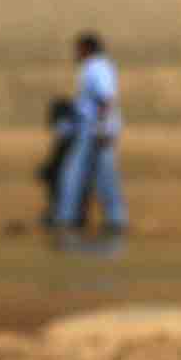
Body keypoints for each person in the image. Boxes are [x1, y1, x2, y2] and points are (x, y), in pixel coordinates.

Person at [50, 31, 126, 237]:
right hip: (95, 130)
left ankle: (66, 218)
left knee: (73, 173)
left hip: (95, 131)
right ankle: (115, 219)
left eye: (78, 49)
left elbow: (105, 99)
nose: (75, 53)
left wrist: (102, 128)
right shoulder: (99, 66)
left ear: (86, 49)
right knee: (103, 176)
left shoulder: (96, 67)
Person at [35, 96, 83, 229]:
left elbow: (60, 155)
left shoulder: (69, 134)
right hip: (71, 168)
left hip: (69, 170)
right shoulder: (76, 131)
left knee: (55, 178)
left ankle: (61, 213)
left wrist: (47, 168)